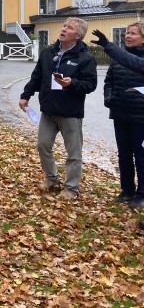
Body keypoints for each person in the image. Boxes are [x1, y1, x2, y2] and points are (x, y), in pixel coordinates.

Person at [19, 17, 98, 199]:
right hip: (48, 110)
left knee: (73, 153)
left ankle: (71, 188)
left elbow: (90, 84)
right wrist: (25, 95)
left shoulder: (84, 58)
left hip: (70, 112)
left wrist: (72, 83)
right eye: (64, 26)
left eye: (69, 28)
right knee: (43, 145)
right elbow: (37, 77)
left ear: (77, 36)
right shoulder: (49, 52)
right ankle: (52, 179)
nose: (63, 29)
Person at [98, 23, 144, 210]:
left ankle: (142, 195)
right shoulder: (118, 59)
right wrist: (110, 98)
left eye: (133, 33)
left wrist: (109, 46)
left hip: (141, 117)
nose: (128, 36)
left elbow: (133, 63)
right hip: (120, 113)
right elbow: (109, 81)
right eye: (126, 32)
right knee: (124, 155)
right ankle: (127, 191)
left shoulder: (134, 59)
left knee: (141, 157)